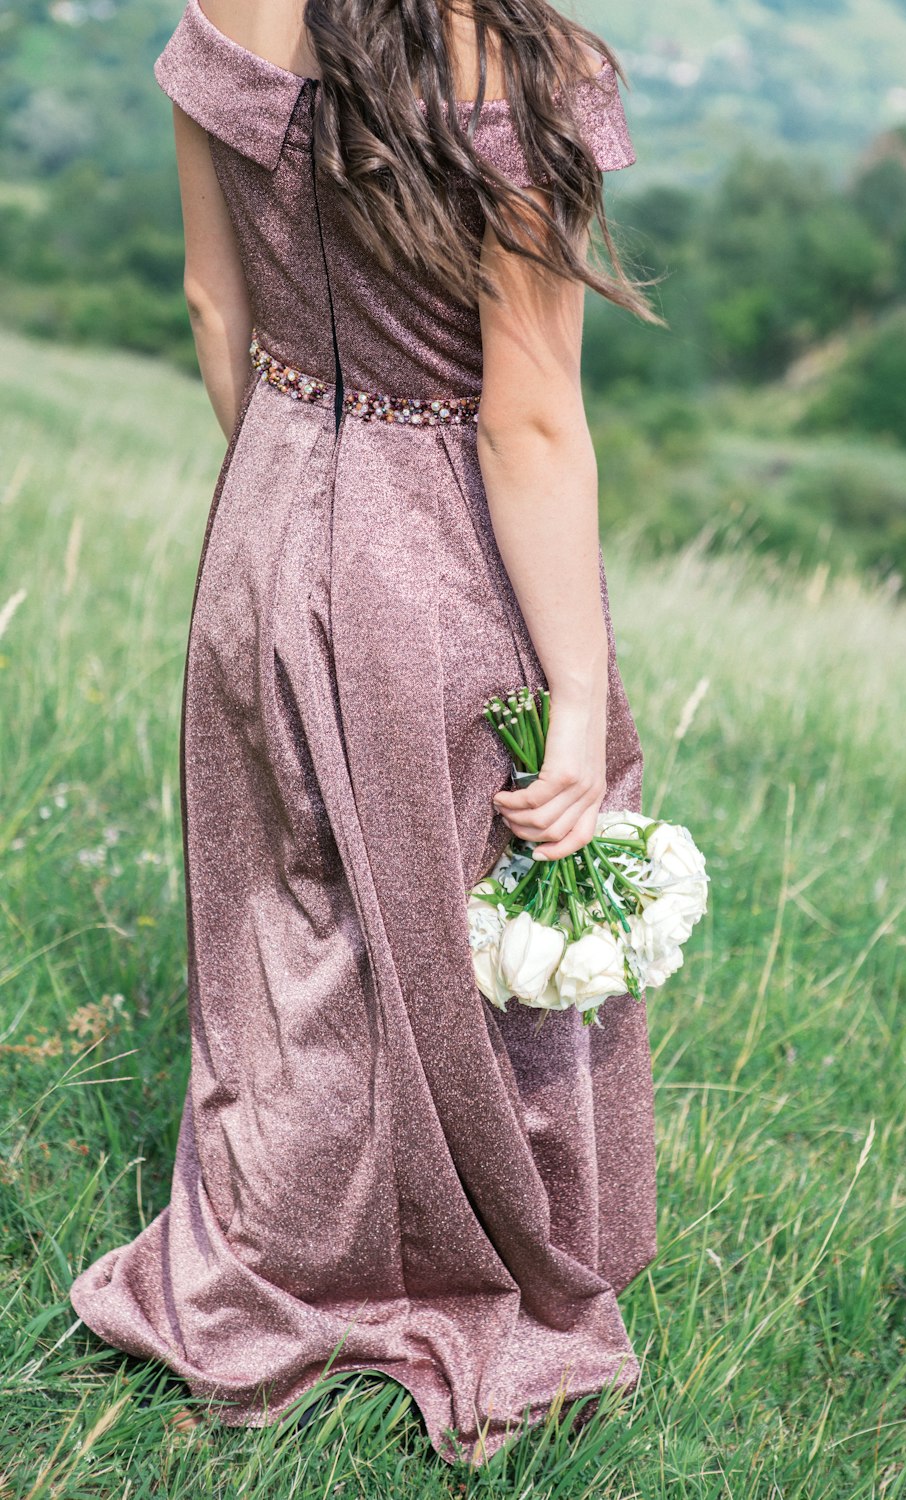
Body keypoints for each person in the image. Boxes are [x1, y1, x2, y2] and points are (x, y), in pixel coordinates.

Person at [70, 0, 663, 1467]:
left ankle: (274, 1257)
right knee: (468, 942)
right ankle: (445, 1268)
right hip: (438, 559)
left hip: (265, 517)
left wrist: (293, 515)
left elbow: (220, 309)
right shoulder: (524, 64)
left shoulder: (224, 8)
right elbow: (528, 420)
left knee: (290, 933)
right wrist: (578, 702)